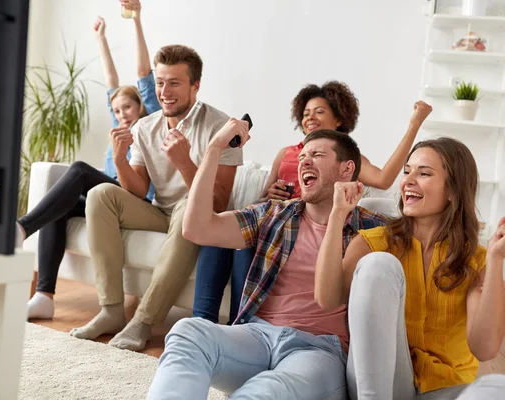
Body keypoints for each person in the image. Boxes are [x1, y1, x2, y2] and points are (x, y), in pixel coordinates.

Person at [147, 127, 387, 399]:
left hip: (319, 351)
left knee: (267, 391)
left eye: (317, 155)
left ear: (347, 170)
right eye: (302, 157)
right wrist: (214, 149)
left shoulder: (375, 229)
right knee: (188, 331)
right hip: (257, 336)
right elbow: (198, 229)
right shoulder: (274, 214)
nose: (304, 161)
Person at [193, 81, 432, 324]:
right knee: (226, 238)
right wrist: (269, 194)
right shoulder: (287, 153)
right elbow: (262, 200)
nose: (310, 118)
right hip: (278, 225)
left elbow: (384, 179)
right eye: (306, 113)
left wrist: (414, 126)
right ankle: (212, 322)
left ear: (338, 118)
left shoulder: (348, 157)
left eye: (319, 112)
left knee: (245, 245)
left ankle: (237, 324)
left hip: (317, 228)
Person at [315, 137, 505, 399]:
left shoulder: (477, 259)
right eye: (407, 171)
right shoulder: (374, 243)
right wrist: (337, 214)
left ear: (453, 191)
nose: (408, 180)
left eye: (424, 173)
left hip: (444, 388)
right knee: (378, 264)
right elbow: (326, 299)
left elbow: (484, 349)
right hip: (381, 385)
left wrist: (496, 260)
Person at [68, 44, 243, 353]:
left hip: (198, 216)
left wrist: (184, 163)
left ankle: (143, 321)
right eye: (160, 82)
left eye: (174, 82)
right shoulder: (145, 127)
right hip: (161, 212)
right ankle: (111, 310)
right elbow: (137, 191)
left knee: (190, 205)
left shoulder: (222, 127)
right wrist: (121, 160)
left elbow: (217, 202)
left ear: (195, 86)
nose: (164, 91)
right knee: (100, 194)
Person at [17, 1, 159, 320]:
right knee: (61, 202)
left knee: (79, 170)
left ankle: (22, 228)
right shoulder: (119, 123)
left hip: (132, 199)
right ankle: (45, 296)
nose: (122, 113)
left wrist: (136, 20)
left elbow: (141, 73)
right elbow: (111, 81)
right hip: (103, 199)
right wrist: (100, 40)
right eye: (118, 109)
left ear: (141, 107)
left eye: (128, 108)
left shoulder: (147, 124)